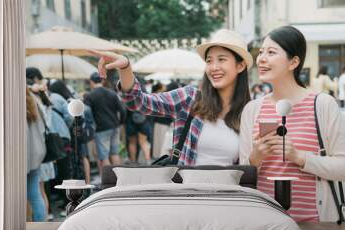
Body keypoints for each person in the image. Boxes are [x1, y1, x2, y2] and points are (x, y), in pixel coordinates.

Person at [239, 26, 345, 222]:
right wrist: (255, 158)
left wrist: (299, 157)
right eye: (261, 52)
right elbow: (242, 178)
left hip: (315, 227)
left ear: (293, 62)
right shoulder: (252, 109)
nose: (261, 59)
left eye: (271, 52)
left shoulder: (323, 105)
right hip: (264, 226)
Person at [90, 29, 253, 166]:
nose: (214, 67)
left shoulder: (250, 113)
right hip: (186, 197)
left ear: (240, 65)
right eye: (209, 61)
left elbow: (249, 169)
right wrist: (126, 68)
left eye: (222, 59)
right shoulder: (191, 98)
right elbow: (139, 102)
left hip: (228, 200)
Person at [84, 72, 127, 173]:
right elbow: (123, 110)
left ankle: (107, 181)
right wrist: (120, 123)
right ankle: (119, 178)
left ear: (91, 82)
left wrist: (91, 127)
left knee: (103, 156)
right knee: (115, 153)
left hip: (101, 128)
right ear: (102, 80)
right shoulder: (112, 93)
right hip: (115, 126)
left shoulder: (89, 96)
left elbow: (87, 113)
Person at [26, 87, 47, 222]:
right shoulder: (33, 101)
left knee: (21, 195)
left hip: (23, 155)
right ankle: (41, 225)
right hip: (37, 153)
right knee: (35, 194)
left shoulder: (12, 102)